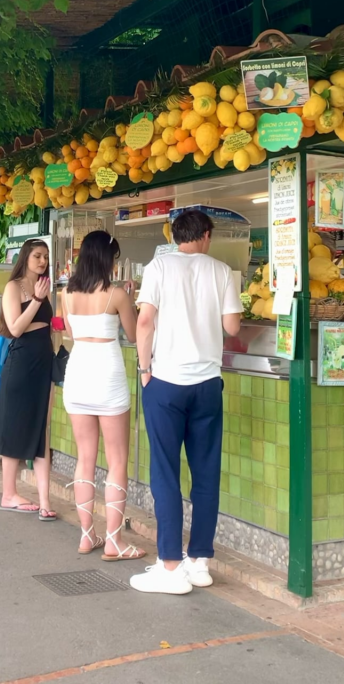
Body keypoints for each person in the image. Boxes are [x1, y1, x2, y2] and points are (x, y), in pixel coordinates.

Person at [130, 209, 242, 594]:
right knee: (206, 473)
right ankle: (199, 562)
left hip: (166, 381)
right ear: (206, 235)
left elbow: (145, 322)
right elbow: (232, 327)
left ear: (175, 235)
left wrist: (144, 369)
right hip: (208, 383)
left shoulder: (158, 268)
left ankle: (170, 566)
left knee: (165, 471)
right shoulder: (223, 271)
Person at [61, 231, 146, 562]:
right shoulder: (116, 295)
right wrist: (133, 299)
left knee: (85, 457)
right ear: (106, 259)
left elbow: (70, 332)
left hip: (78, 372)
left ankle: (87, 535)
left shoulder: (67, 293)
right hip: (107, 375)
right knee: (117, 460)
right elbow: (134, 333)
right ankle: (114, 541)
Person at [0, 238, 57, 521]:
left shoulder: (45, 287)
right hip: (21, 362)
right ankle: (9, 493)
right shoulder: (13, 287)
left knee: (41, 427)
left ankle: (44, 501)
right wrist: (38, 300)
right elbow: (16, 328)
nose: (42, 262)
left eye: (45, 257)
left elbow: (48, 324)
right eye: (37, 256)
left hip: (44, 360)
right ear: (25, 258)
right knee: (15, 424)